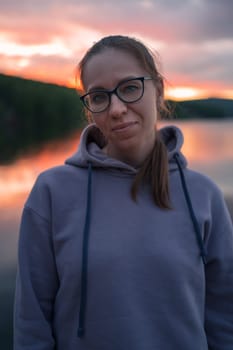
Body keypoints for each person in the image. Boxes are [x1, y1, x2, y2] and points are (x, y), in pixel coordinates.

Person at [14, 35, 233, 350]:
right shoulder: (52, 193)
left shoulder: (203, 195)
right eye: (100, 97)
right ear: (90, 108)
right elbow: (32, 324)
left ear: (157, 90)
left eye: (130, 88)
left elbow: (224, 321)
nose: (116, 109)